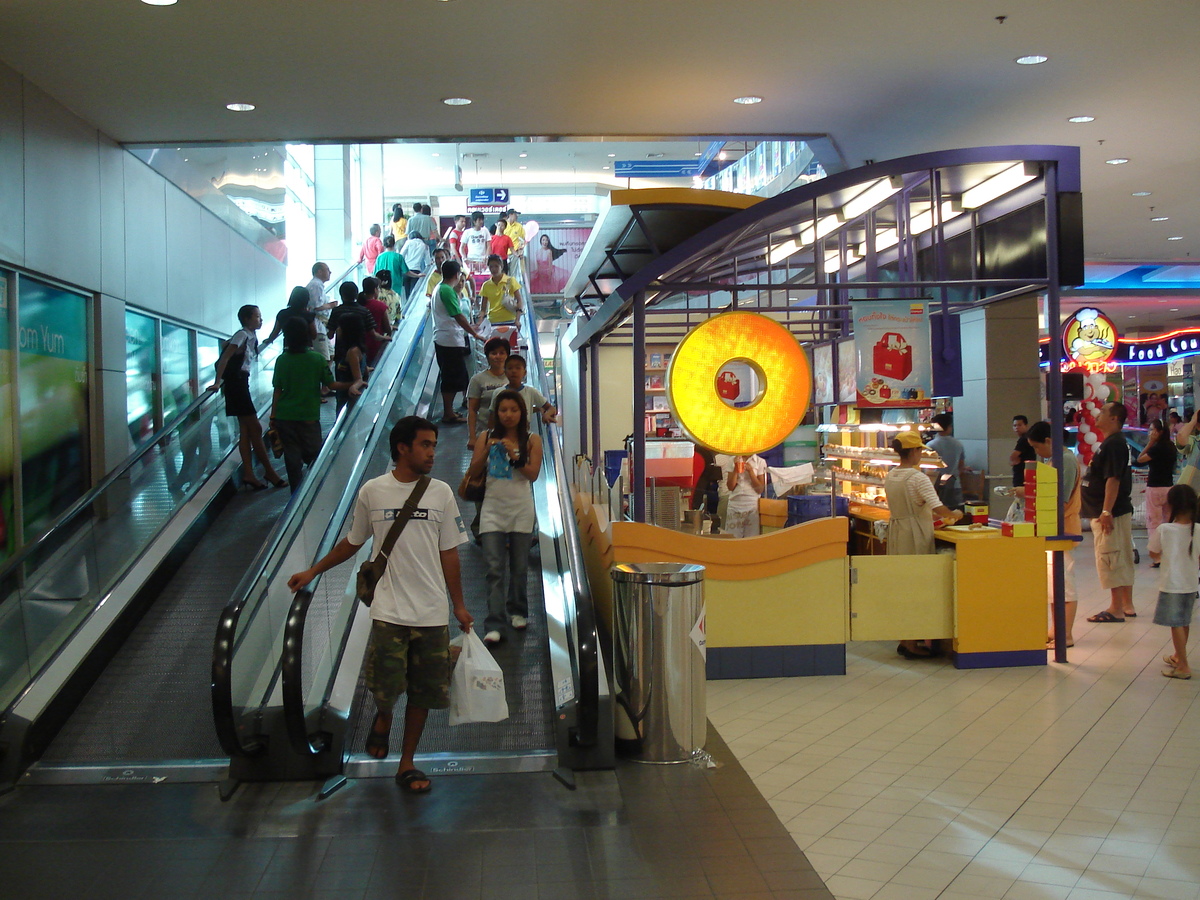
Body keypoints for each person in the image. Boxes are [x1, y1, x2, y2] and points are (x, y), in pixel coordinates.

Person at [287, 416, 473, 794]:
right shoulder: (373, 491)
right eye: (425, 445)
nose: (432, 453)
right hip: (388, 610)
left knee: (424, 692)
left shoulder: (440, 493)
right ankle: (384, 715)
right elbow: (353, 543)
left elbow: (449, 552)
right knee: (385, 686)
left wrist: (459, 605)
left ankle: (407, 763)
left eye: (434, 445)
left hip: (432, 612)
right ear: (402, 448)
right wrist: (313, 571)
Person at [466, 390, 543, 646]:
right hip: (492, 509)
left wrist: (514, 455)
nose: (508, 415)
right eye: (503, 410)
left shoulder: (532, 439)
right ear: (495, 413)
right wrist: (486, 451)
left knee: (519, 567)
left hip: (521, 509)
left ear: (522, 413)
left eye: (513, 410)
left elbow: (533, 474)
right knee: (494, 568)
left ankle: (518, 611)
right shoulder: (485, 437)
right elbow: (473, 471)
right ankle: (494, 622)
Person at [884, 430, 963, 658]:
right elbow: (938, 507)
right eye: (920, 449)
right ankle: (911, 642)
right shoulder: (917, 478)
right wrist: (955, 514)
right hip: (915, 534)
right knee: (916, 586)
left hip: (897, 532)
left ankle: (904, 637)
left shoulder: (892, 475)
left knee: (901, 586)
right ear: (915, 451)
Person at [270, 318, 363, 491]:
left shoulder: (281, 360)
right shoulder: (316, 359)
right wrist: (353, 383)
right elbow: (332, 385)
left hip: (285, 417)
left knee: (291, 459)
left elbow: (277, 390)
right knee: (313, 456)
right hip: (308, 417)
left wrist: (273, 416)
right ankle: (313, 493)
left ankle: (295, 498)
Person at [209, 305, 286, 489]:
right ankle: (269, 471)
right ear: (247, 319)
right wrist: (218, 382)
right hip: (236, 385)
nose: (260, 319)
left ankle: (249, 474)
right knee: (256, 427)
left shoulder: (250, 336)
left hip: (241, 383)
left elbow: (227, 348)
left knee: (246, 430)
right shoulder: (242, 335)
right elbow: (225, 358)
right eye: (257, 316)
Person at [1026, 421, 1083, 646]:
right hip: (1052, 528)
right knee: (1053, 584)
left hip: (1064, 529)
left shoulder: (1066, 461)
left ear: (1049, 441)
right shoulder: (1054, 460)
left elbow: (1061, 497)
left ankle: (1065, 634)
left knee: (1063, 584)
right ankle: (1055, 629)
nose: (1037, 452)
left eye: (1037, 447)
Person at [1082, 401, 1136, 623]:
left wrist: (1106, 510)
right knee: (1118, 555)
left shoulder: (1114, 444)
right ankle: (1126, 604)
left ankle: (1116, 608)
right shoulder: (1112, 443)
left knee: (1110, 556)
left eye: (1103, 411)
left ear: (1114, 418)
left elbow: (1113, 479)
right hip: (1110, 511)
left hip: (1110, 514)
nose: (1098, 413)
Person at [1151, 484, 1199, 680]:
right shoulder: (1197, 529)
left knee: (1176, 624)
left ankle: (1184, 666)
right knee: (1183, 621)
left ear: (1171, 506)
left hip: (1171, 584)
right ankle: (1178, 656)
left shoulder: (1165, 529)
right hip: (1190, 584)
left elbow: (1154, 552)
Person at [432, 260, 485, 424]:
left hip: (445, 338)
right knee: (451, 378)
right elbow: (458, 316)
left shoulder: (439, 288)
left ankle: (450, 411)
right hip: (449, 340)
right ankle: (448, 413)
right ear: (456, 275)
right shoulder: (446, 290)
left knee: (455, 376)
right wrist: (474, 333)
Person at [1139, 418, 1178, 566]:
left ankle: (1157, 556)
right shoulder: (1171, 447)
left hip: (1155, 488)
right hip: (1169, 488)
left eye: (1152, 430)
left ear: (1159, 432)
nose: (1150, 433)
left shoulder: (1156, 448)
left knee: (1154, 522)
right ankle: (1168, 553)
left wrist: (1150, 444)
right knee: (1168, 521)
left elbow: (1140, 459)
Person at [488, 354, 557, 426]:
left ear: (524, 373)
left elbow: (551, 408)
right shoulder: (498, 392)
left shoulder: (531, 391)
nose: (514, 371)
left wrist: (547, 415)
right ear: (505, 372)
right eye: (510, 368)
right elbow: (492, 418)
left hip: (524, 434)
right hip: (502, 434)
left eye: (518, 368)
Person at [479, 253, 523, 349]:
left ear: (501, 266)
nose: (494, 269)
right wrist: (480, 321)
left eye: (496, 266)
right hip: (493, 322)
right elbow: (483, 308)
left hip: (510, 321)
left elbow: (520, 301)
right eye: (491, 266)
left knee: (510, 350)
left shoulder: (510, 281)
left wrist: (517, 320)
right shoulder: (486, 285)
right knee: (495, 350)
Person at [720, 453, 767, 538]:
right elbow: (730, 487)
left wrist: (751, 471)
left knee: (751, 539)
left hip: (752, 505)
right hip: (735, 504)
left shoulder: (760, 461)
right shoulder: (732, 460)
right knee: (733, 538)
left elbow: (760, 489)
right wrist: (735, 469)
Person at [927, 412, 965, 510]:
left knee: (937, 517)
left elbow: (928, 470)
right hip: (955, 486)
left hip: (935, 487)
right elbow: (961, 466)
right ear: (949, 427)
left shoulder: (931, 445)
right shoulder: (958, 444)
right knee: (955, 515)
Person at [332, 313, 368, 415]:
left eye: (340, 327)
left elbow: (358, 379)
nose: (337, 330)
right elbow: (363, 370)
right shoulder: (358, 348)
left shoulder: (352, 352)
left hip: (347, 398)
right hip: (344, 396)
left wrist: (353, 386)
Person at [305, 261, 337, 364]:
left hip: (321, 326)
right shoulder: (316, 285)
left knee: (331, 355)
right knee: (324, 357)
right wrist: (331, 305)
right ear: (319, 272)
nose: (330, 272)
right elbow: (317, 306)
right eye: (327, 270)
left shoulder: (319, 285)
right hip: (317, 326)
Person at [359, 276, 393, 366]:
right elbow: (387, 329)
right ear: (375, 290)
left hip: (360, 346)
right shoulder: (380, 306)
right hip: (375, 345)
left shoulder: (359, 304)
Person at [462, 211, 491, 282]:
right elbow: (461, 247)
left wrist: (487, 256)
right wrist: (464, 258)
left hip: (482, 260)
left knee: (483, 279)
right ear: (474, 221)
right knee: (471, 279)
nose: (481, 221)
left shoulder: (485, 231)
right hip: (471, 260)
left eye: (482, 219)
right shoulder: (467, 232)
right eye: (479, 220)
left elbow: (489, 245)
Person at [401, 232, 432, 297]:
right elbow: (428, 262)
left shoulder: (408, 242)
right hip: (416, 271)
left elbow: (401, 255)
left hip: (406, 270)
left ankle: (406, 305)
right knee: (413, 293)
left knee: (406, 291)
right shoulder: (424, 245)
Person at [1010, 415, 1036, 488]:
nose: (1017, 427)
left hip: (1022, 474)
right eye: (1015, 425)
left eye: (1019, 425)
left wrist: (1012, 461)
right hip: (1026, 473)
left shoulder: (1024, 439)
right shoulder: (1025, 438)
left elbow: (1013, 455)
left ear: (1026, 425)